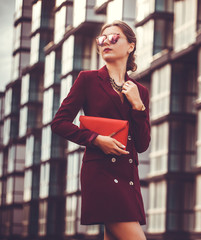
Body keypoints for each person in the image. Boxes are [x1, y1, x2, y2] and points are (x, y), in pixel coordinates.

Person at [51, 20, 150, 240]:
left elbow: (142, 144)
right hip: (101, 174)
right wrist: (96, 139)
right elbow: (59, 122)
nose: (106, 42)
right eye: (102, 39)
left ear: (130, 46)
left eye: (114, 38)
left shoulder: (140, 91)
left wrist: (138, 106)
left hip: (127, 176)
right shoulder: (87, 80)